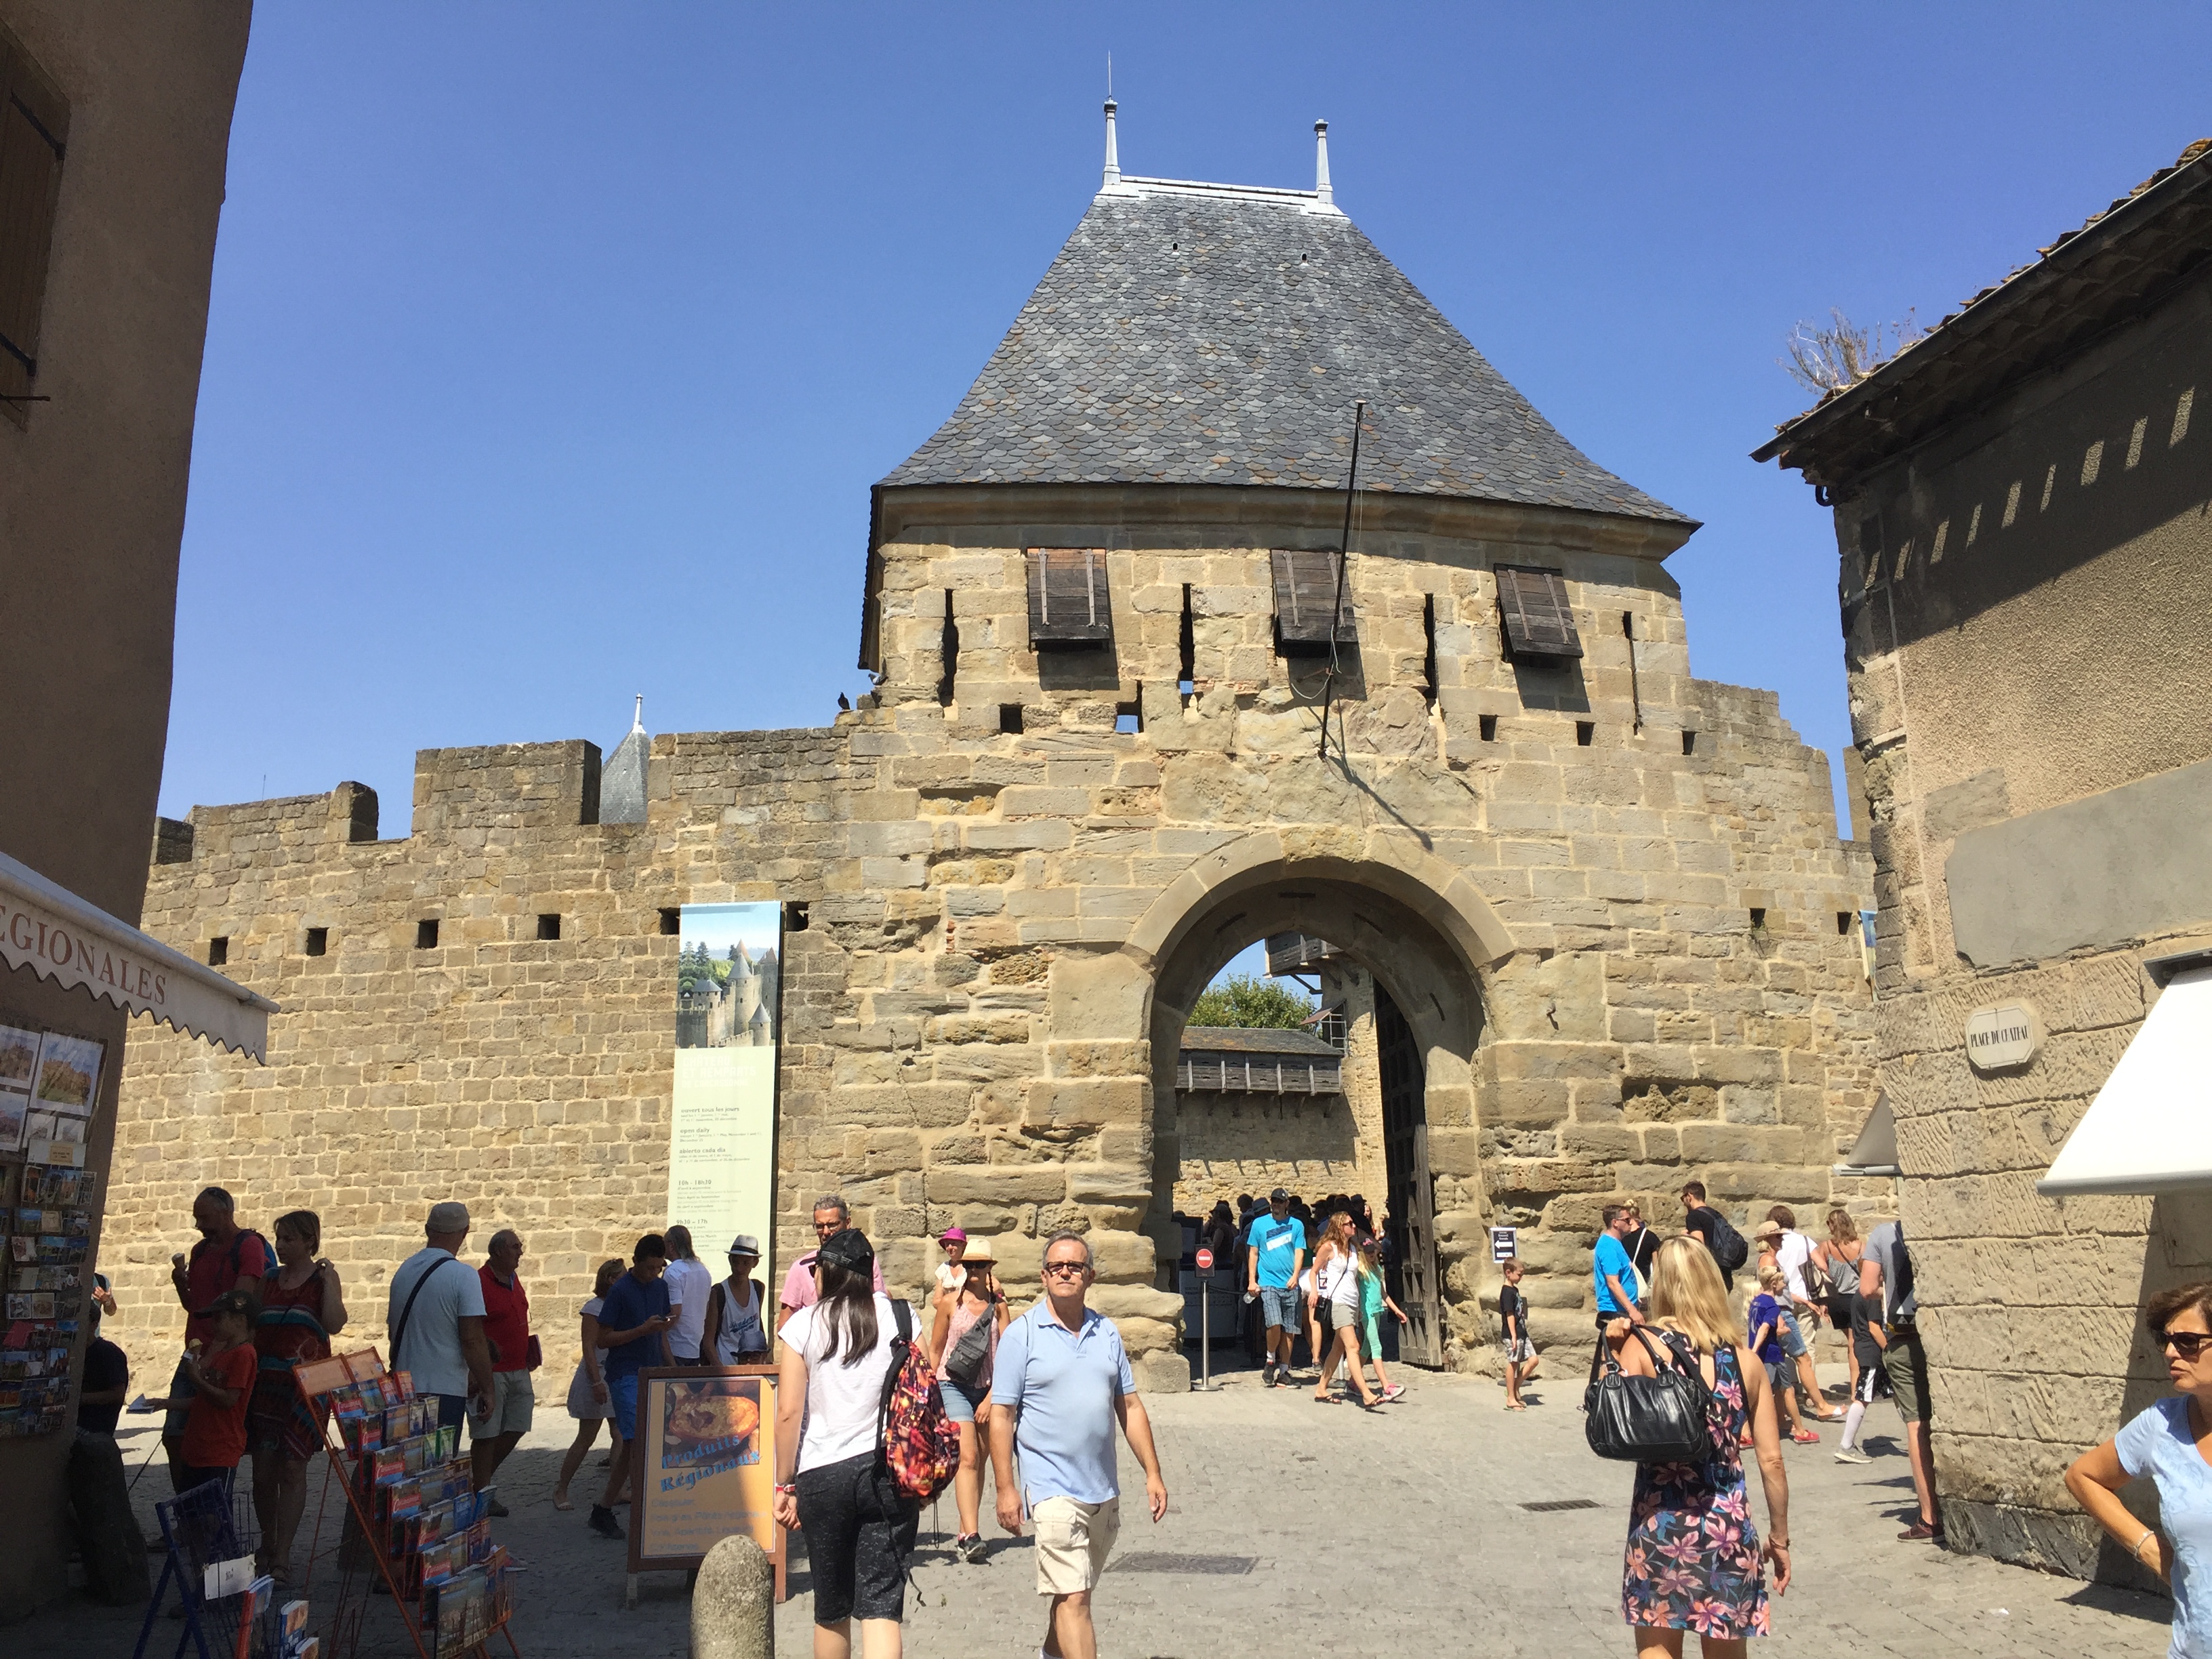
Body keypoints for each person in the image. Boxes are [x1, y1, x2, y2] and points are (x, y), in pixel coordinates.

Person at [989, 1231, 1168, 1659]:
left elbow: (1129, 1405)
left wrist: (1153, 1473)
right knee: (1076, 1601)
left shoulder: (1106, 1331)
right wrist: (1005, 1488)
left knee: (1073, 1595)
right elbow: (1001, 1415)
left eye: (1074, 1266)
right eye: (1056, 1267)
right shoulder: (1022, 1335)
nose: (1064, 1272)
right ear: (1043, 1276)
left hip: (1102, 1489)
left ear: (1089, 1275)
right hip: (1051, 1490)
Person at [1607, 1237, 1791, 1655]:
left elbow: (1614, 1424)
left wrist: (1616, 1354)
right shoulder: (1746, 1361)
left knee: (1657, 1651)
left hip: (1659, 1527)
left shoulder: (1642, 1346)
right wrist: (1779, 1539)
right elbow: (1772, 1461)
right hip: (1725, 1532)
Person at [773, 1229, 918, 1658]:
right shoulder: (902, 1317)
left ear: (828, 1273)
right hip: (888, 1470)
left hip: (823, 1473)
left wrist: (784, 1485)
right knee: (881, 1607)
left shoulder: (803, 1325)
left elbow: (787, 1414)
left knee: (832, 1605)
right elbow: (924, 1394)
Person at [2066, 1280, 2212, 1652]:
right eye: (2167, 1340)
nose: (2169, 1352)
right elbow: (2083, 1477)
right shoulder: (2161, 1425)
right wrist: (2148, 1548)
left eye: (2187, 1342)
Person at [250, 1210, 347, 1582]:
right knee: (262, 1472)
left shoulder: (323, 1279)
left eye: (290, 1238)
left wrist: (328, 1283)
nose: (282, 1245)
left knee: (292, 1467)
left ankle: (283, 1555)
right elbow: (252, 1325)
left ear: (310, 1241)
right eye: (280, 1238)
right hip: (266, 1385)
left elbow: (334, 1323)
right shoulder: (269, 1280)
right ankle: (268, 1540)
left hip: (305, 1387)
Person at [163, 1187, 271, 1490]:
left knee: (215, 1436)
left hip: (220, 1352)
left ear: (225, 1214)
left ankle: (210, 1510)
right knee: (175, 1435)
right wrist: (180, 1285)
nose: (199, 1226)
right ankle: (188, 1512)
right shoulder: (200, 1251)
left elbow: (239, 1304)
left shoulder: (248, 1246)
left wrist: (213, 1356)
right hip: (196, 1349)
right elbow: (194, 1306)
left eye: (204, 1218)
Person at [587, 1233, 675, 1541]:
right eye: (649, 1268)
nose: (654, 1274)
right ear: (636, 1262)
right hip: (624, 1373)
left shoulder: (661, 1287)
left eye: (658, 1268)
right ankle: (648, 1510)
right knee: (637, 1442)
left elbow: (661, 1333)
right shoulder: (621, 1291)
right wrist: (641, 1330)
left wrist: (673, 1369)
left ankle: (604, 1508)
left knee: (633, 1443)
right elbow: (603, 1339)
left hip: (651, 1373)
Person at [929, 1236, 1010, 1564]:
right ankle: (974, 1535)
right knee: (968, 1456)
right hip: (953, 1386)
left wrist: (993, 1396)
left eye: (981, 1265)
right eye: (970, 1265)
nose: (974, 1270)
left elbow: (1009, 1353)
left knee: (980, 1462)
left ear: (990, 1269)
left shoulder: (1000, 1306)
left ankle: (965, 1532)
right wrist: (927, 1391)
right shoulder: (950, 1303)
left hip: (988, 1388)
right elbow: (935, 1349)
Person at [1861, 1216, 1942, 1542]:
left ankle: (1930, 1516)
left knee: (1916, 1424)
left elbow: (1867, 1288)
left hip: (1904, 1336)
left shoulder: (1882, 1233)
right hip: (1938, 1330)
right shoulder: (1933, 1223)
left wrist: (1888, 1287)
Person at [387, 1202, 493, 1432]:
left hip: (404, 1387)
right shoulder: (464, 1276)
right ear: (465, 1232)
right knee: (439, 1464)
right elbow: (472, 1339)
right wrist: (488, 1388)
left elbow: (392, 1330)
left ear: (427, 1230)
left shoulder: (403, 1271)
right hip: (444, 1389)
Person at [148, 1288, 260, 1498]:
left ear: (239, 1321)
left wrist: (196, 1379)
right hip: (197, 1448)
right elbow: (203, 1401)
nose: (213, 1325)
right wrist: (167, 1403)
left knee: (213, 1516)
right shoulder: (221, 1353)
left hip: (220, 1451)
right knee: (192, 1511)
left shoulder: (244, 1354)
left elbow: (228, 1400)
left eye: (219, 1319)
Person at [554, 1258, 624, 1511]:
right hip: (597, 1376)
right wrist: (596, 1381)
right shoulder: (594, 1308)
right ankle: (561, 1488)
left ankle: (615, 1490)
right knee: (587, 1437)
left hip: (615, 1375)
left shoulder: (619, 1306)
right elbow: (589, 1348)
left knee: (619, 1434)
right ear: (610, 1279)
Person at [472, 1229, 533, 1509]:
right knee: (487, 1434)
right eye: (515, 1246)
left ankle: (477, 1483)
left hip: (520, 1367)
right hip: (492, 1371)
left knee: (518, 1425)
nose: (520, 1251)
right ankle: (482, 1492)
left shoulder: (514, 1279)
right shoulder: (478, 1283)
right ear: (497, 1251)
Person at [1765, 1206, 1843, 1424]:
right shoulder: (1805, 1241)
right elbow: (1822, 1266)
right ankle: (1812, 1395)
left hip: (1783, 1300)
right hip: (1806, 1299)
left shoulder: (1772, 1244)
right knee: (1807, 1349)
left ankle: (1784, 1398)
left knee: (1782, 1353)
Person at [779, 1195, 885, 1333]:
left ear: (847, 1223)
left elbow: (880, 1307)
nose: (826, 1232)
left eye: (832, 1225)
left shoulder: (864, 1263)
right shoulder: (801, 1268)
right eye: (819, 1226)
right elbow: (784, 1326)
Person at [1311, 1211, 1378, 1408]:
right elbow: (1314, 1271)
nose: (1354, 1226)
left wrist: (1359, 1306)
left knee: (1337, 1348)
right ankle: (1366, 1393)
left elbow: (1355, 1278)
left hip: (1351, 1302)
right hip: (1338, 1302)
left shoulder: (1353, 1248)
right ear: (1340, 1226)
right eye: (1349, 1223)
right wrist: (1315, 1292)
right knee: (1353, 1346)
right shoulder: (1328, 1248)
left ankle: (1321, 1388)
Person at [1747, 1269, 1818, 1446]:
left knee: (1759, 1393)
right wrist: (1756, 1350)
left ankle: (1746, 1433)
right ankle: (1800, 1431)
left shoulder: (1756, 1302)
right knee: (1788, 1391)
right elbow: (1764, 1328)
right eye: (1782, 1282)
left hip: (1762, 1354)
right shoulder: (1772, 1306)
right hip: (1771, 1355)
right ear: (1773, 1284)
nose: (1785, 1285)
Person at [1244, 1189, 1305, 1388]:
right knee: (1274, 1323)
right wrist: (1252, 1280)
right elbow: (1253, 1253)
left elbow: (1299, 1251)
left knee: (1290, 1330)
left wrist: (1296, 1276)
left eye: (1280, 1201)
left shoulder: (1296, 1225)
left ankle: (1285, 1370)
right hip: (1268, 1282)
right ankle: (1271, 1359)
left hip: (1290, 1284)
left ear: (1287, 1203)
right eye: (1274, 1201)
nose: (1276, 1204)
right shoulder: (1259, 1224)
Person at [1814, 1210, 1868, 1403]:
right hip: (1857, 1298)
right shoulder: (1861, 1246)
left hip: (1837, 1300)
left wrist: (1822, 1301)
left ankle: (1859, 1385)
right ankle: (1856, 1388)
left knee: (1852, 1342)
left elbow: (1821, 1270)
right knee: (1855, 1343)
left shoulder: (1827, 1247)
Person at [1591, 1204, 1645, 1382]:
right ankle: (1607, 1396)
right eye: (1627, 1220)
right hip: (1616, 1312)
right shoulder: (1608, 1247)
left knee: (1620, 1357)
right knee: (1613, 1358)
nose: (1632, 1223)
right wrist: (1633, 1310)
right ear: (1615, 1223)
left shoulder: (1615, 1244)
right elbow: (1613, 1283)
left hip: (1622, 1310)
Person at [1352, 1234, 1408, 1404]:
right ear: (1362, 1254)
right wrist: (1358, 1310)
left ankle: (1352, 1383)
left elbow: (1383, 1294)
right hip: (1367, 1312)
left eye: (1373, 1252)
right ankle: (1386, 1387)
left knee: (1367, 1349)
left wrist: (1396, 1310)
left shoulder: (1377, 1269)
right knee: (1376, 1347)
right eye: (1368, 1252)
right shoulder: (1361, 1272)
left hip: (1377, 1312)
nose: (1371, 1255)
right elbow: (1358, 1293)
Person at [703, 1235, 773, 1366]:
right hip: (726, 1363)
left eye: (746, 1263)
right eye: (736, 1262)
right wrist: (721, 1373)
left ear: (755, 1263)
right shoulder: (719, 1292)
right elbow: (708, 1340)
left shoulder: (758, 1289)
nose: (739, 1268)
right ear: (730, 1261)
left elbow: (758, 1325)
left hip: (752, 1364)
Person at [663, 1224, 713, 1365]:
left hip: (675, 1346)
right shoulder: (704, 1271)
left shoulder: (673, 1272)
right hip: (695, 1345)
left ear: (671, 1246)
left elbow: (675, 1312)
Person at [1679, 1181, 1739, 1291]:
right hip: (1725, 1274)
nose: (1683, 1203)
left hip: (1710, 1276)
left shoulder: (1694, 1216)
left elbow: (1698, 1246)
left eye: (1683, 1198)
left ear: (1690, 1196)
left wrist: (1685, 1238)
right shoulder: (1716, 1215)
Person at [1498, 1257, 1538, 1410]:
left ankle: (1515, 1388)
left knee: (1533, 1360)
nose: (1521, 1278)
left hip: (1522, 1332)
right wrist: (1513, 1336)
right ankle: (1510, 1398)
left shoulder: (1515, 1290)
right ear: (1508, 1273)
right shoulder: (1507, 1292)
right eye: (1519, 1275)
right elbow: (1509, 1315)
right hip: (1512, 1333)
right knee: (1513, 1363)